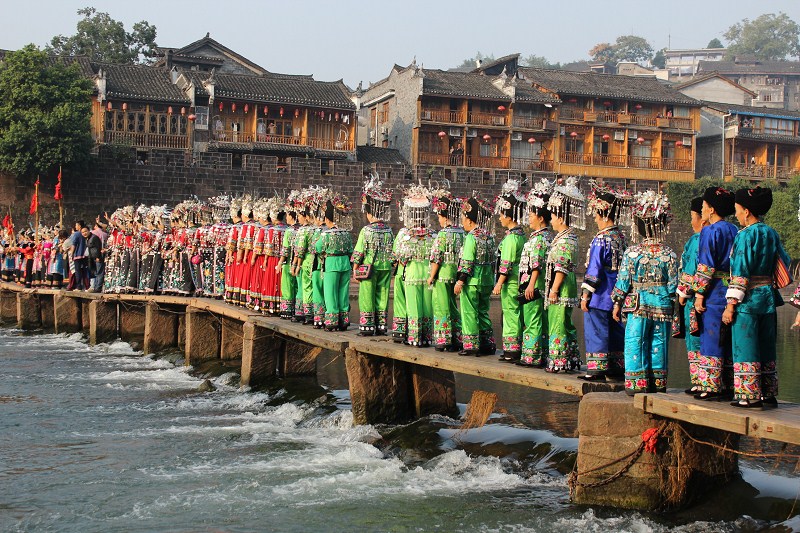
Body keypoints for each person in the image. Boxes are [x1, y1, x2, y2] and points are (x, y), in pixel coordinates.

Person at [724, 187, 790, 408]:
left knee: (746, 344)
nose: (736, 214)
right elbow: (785, 261)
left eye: (737, 210)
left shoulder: (745, 236)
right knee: (767, 345)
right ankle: (768, 393)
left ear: (747, 211)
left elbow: (740, 270)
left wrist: (731, 305)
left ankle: (748, 395)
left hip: (748, 300)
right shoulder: (771, 232)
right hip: (768, 297)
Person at [612, 190, 677, 395]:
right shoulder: (670, 254)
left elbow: (623, 281)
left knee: (635, 341)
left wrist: (617, 303)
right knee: (659, 343)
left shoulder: (632, 253)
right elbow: (674, 286)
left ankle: (636, 384)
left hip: (638, 304)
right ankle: (657, 382)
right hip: (663, 305)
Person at [579, 183, 629, 381]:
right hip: (616, 295)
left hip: (600, 295)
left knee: (597, 330)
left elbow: (594, 269)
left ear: (604, 214)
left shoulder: (601, 239)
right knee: (616, 330)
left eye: (596, 214)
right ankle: (616, 367)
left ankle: (597, 369)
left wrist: (585, 295)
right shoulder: (620, 237)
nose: (595, 218)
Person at [692, 187, 738, 401]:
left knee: (710, 335)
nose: (702, 209)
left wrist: (700, 293)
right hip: (730, 288)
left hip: (714, 290)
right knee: (727, 337)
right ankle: (729, 384)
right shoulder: (734, 230)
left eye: (703, 206)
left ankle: (710, 386)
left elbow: (705, 265)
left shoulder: (710, 231)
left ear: (711, 209)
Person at [544, 177, 585, 372]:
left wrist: (553, 289)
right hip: (565, 286)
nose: (550, 220)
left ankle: (559, 361)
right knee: (565, 323)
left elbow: (560, 267)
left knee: (558, 323)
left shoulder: (565, 240)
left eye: (552, 216)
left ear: (561, 218)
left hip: (561, 288)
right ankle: (570, 359)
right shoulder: (567, 237)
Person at [352, 174, 394, 336]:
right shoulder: (389, 230)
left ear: (370, 213)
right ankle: (382, 325)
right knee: (383, 294)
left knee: (367, 295)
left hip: (369, 268)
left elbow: (359, 252)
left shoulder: (367, 230)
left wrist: (355, 268)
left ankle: (367, 325)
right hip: (385, 267)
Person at [455, 195, 496, 356]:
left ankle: (471, 344)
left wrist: (460, 281)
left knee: (469, 311)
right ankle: (487, 342)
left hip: (472, 281)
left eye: (463, 218)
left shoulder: (472, 237)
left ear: (470, 220)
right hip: (486, 280)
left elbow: (467, 262)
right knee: (483, 311)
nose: (462, 222)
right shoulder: (489, 237)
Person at [518, 179, 553, 367]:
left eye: (531, 214)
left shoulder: (540, 238)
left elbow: (537, 264)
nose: (529, 217)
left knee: (533, 319)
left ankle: (532, 356)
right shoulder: (546, 237)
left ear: (540, 217)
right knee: (538, 319)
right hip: (535, 284)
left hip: (533, 285)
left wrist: (531, 284)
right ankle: (541, 353)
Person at [493, 179, 527, 363]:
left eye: (501, 214)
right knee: (515, 313)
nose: (499, 218)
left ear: (509, 216)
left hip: (511, 282)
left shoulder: (512, 239)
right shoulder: (521, 235)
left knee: (510, 313)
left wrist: (499, 282)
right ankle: (515, 347)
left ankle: (511, 350)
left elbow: (505, 264)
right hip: (517, 281)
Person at [676, 197, 707, 395]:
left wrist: (683, 292)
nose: (691, 222)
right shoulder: (730, 233)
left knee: (695, 338)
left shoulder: (697, 240)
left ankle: (700, 382)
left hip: (696, 297)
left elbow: (690, 270)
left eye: (692, 217)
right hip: (717, 296)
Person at [397, 184, 435, 346]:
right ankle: (427, 337)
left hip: (411, 273)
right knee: (427, 306)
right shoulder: (433, 235)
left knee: (413, 305)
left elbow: (400, 258)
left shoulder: (404, 234)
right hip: (427, 274)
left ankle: (414, 337)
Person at [428, 187, 464, 352]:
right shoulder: (462, 233)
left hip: (442, 275)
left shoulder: (443, 235)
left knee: (441, 306)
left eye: (439, 216)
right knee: (453, 306)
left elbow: (436, 258)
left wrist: (431, 276)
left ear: (444, 216)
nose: (439, 220)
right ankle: (457, 337)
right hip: (456, 275)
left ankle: (443, 339)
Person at [316, 194, 354, 331]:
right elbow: (351, 250)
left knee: (330, 293)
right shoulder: (346, 233)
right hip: (345, 264)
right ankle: (344, 320)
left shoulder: (326, 234)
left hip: (331, 264)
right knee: (343, 292)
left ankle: (331, 321)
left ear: (327, 219)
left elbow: (317, 248)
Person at [85, 225, 104, 292]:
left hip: (97, 257)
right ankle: (96, 287)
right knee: (96, 273)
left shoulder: (94, 238)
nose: (84, 233)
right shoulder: (88, 239)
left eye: (85, 231)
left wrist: (98, 256)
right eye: (83, 232)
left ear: (89, 231)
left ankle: (98, 288)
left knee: (99, 272)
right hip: (93, 258)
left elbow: (98, 247)